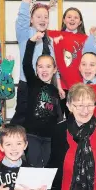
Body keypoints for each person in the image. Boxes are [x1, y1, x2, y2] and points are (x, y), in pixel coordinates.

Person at [12, 0, 58, 125]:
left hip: (46, 87)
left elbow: (54, 66)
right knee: (22, 122)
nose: (43, 19)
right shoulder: (25, 33)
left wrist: (59, 87)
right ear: (31, 19)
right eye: (38, 16)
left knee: (42, 123)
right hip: (28, 85)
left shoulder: (49, 40)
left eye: (46, 17)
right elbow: (24, 11)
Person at [22, 32, 63, 167]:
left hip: (49, 138)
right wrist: (31, 41)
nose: (44, 70)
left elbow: (58, 116)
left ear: (54, 69)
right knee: (33, 167)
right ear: (36, 70)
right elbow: (27, 63)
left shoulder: (56, 92)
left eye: (48, 66)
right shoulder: (34, 83)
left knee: (48, 168)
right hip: (32, 135)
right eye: (40, 66)